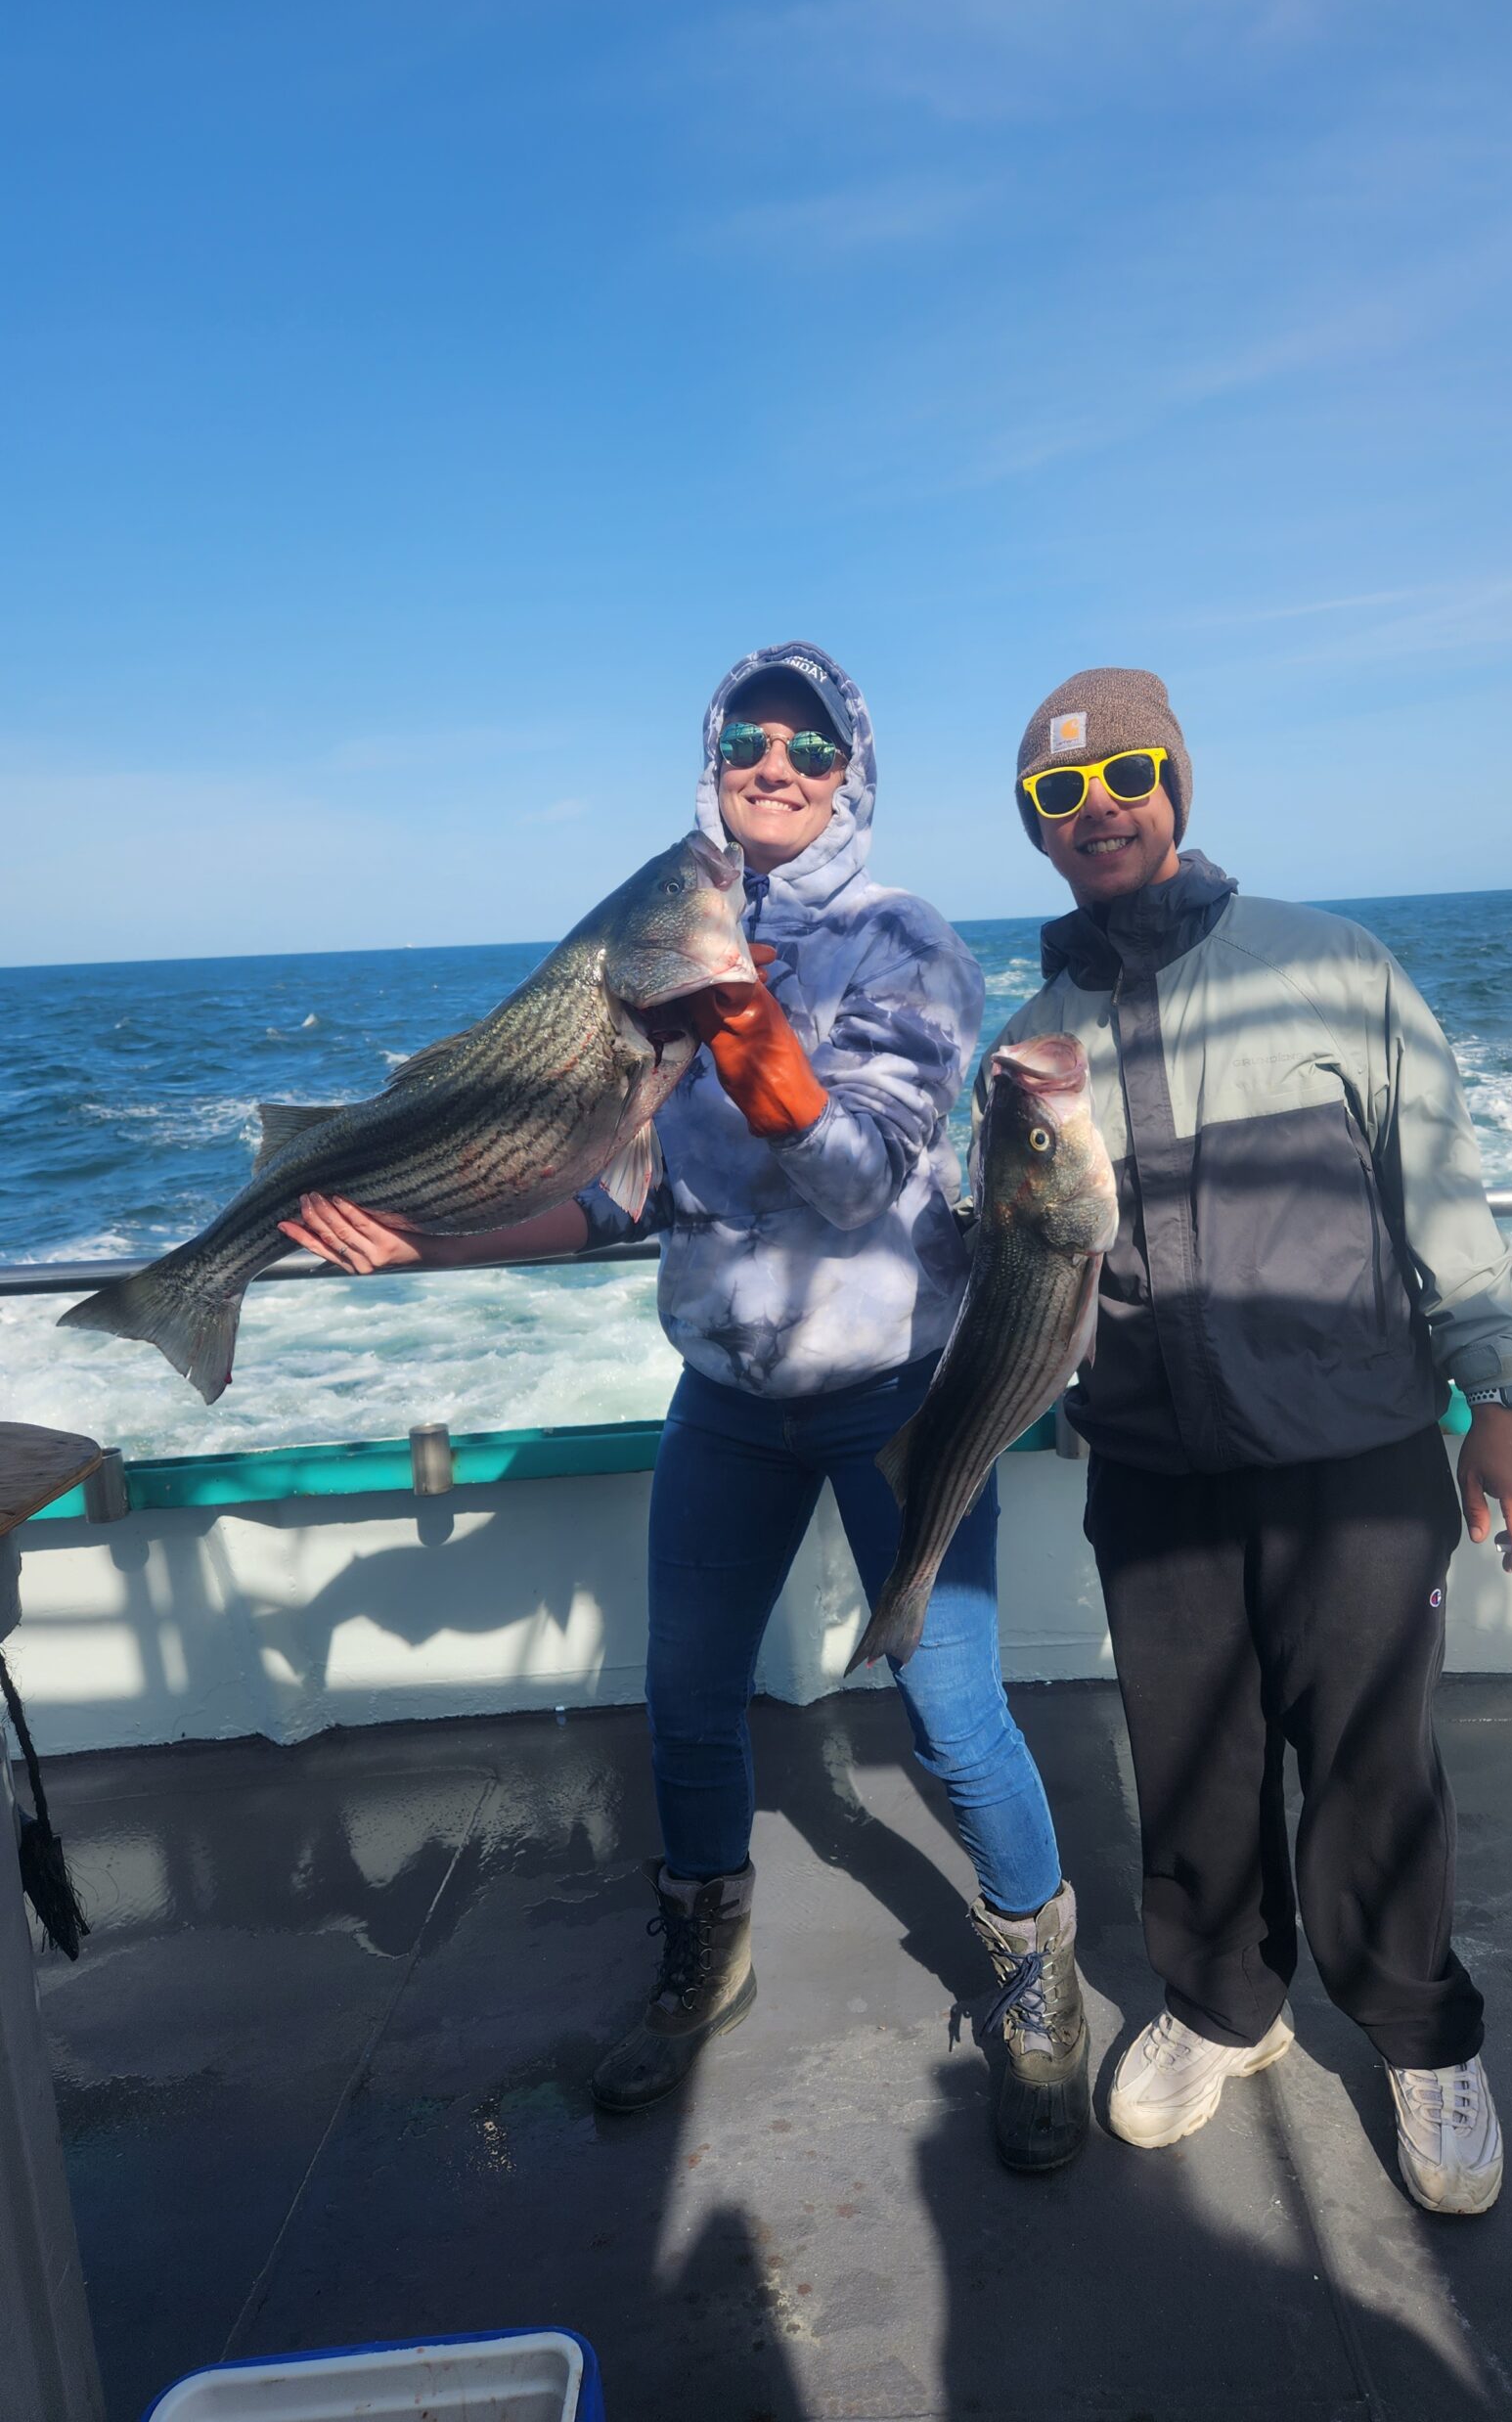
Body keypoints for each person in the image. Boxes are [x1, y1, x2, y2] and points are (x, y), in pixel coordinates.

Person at [280, 643, 1090, 2173]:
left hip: (896, 1392)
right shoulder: (667, 945)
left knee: (948, 1705)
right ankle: (705, 1955)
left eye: (809, 744)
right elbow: (620, 1198)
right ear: (710, 759)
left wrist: (735, 1019)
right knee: (689, 1698)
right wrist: (428, 1237)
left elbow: (855, 1178)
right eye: (745, 738)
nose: (772, 763)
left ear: (854, 774)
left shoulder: (908, 947)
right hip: (725, 1393)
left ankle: (1038, 1971)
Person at [980, 667, 1512, 2215]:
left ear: (1180, 782)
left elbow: (1439, 1183)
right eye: (1059, 796)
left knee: (1374, 1759)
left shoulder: (1334, 965)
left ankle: (1422, 2032)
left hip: (1355, 1448)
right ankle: (1223, 2004)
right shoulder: (1032, 1040)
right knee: (1192, 1760)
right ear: (1034, 833)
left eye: (1129, 777)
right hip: (1154, 1471)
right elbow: (1025, 1263)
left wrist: (1496, 1401)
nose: (1100, 810)